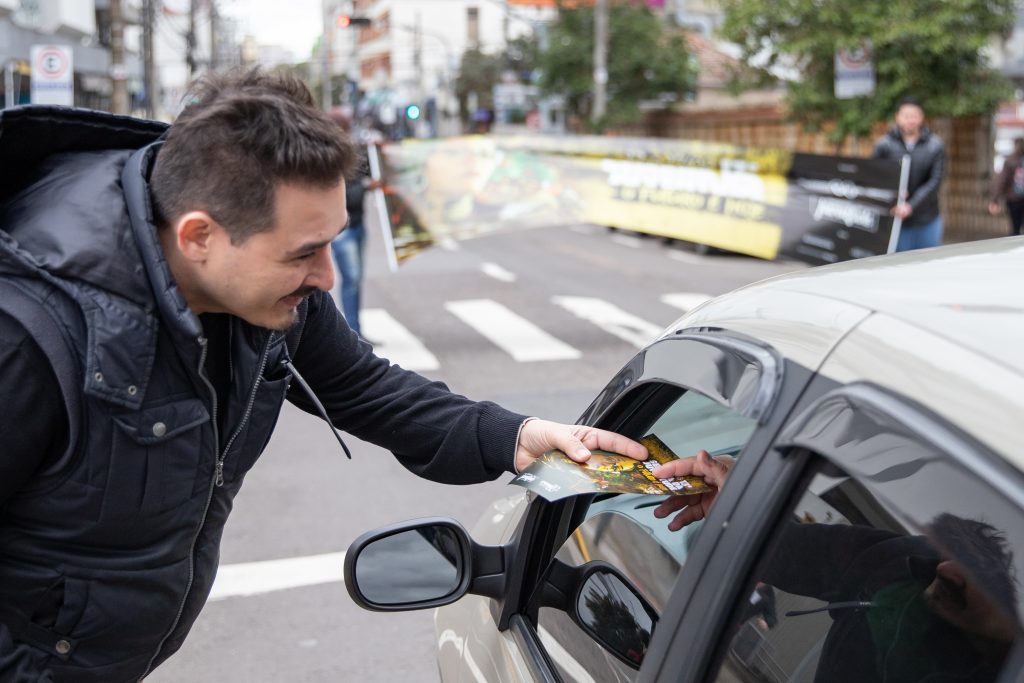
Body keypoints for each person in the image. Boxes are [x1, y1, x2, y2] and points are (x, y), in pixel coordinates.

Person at [0, 68, 647, 682]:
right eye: (305, 253)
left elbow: (366, 387)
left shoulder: (260, 286)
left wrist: (516, 435)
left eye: (332, 242)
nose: (327, 279)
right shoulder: (32, 327)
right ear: (199, 236)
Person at [652, 453, 1018, 682]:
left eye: (988, 571)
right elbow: (790, 554)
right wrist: (742, 503)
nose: (947, 570)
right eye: (958, 553)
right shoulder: (907, 564)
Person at [873, 97, 947, 252]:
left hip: (927, 218)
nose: (910, 120)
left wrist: (911, 205)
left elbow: (935, 180)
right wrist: (892, 197)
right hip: (896, 221)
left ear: (921, 117)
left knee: (928, 264)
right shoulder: (884, 145)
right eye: (906, 116)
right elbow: (875, 177)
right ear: (897, 117)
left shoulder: (935, 146)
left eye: (914, 116)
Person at [327, 110, 377, 337]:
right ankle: (353, 332)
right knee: (351, 280)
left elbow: (371, 169)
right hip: (343, 229)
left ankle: (356, 330)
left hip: (357, 224)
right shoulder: (328, 157)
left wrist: (377, 149)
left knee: (355, 281)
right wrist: (366, 187)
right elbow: (345, 195)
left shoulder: (352, 152)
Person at [988, 137, 1024, 236]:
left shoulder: (1010, 161)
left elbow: (1002, 181)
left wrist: (995, 200)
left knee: (1015, 228)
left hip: (1014, 200)